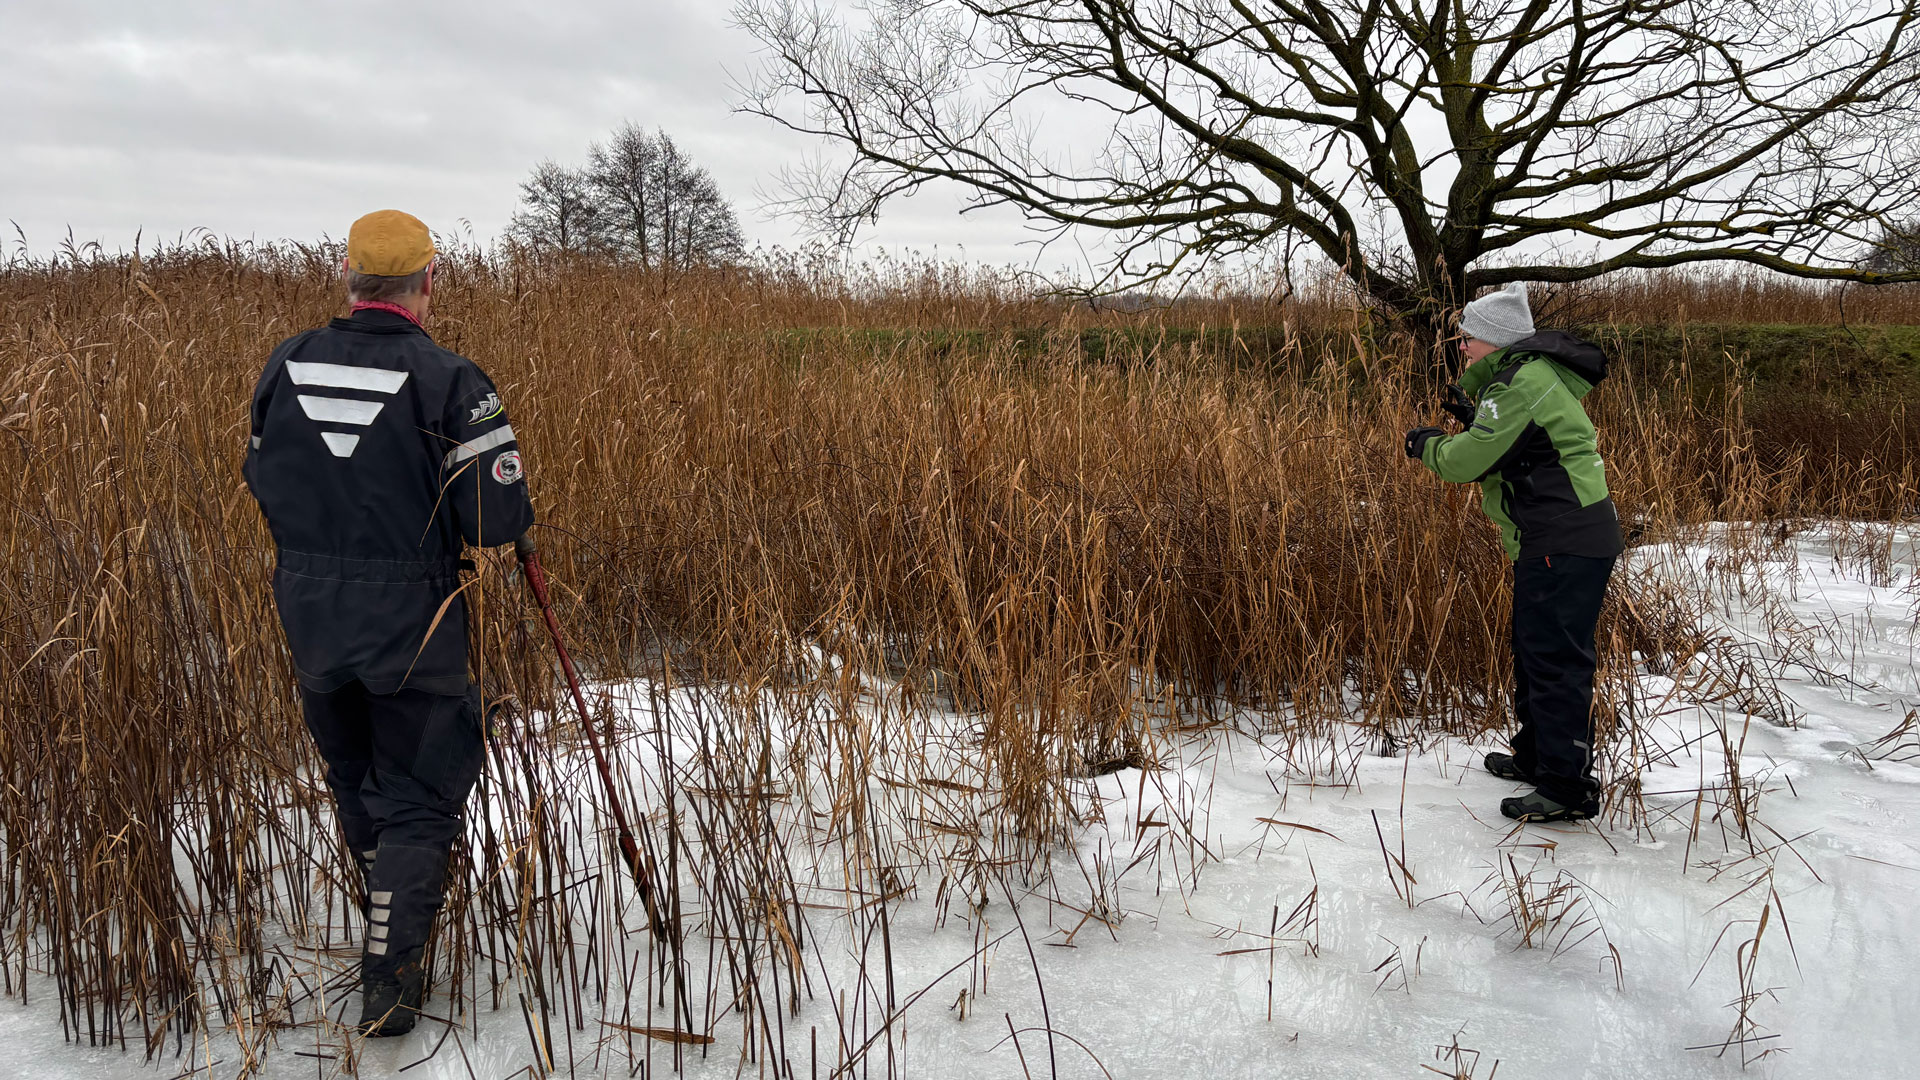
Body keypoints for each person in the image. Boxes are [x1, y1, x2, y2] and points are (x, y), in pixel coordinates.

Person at [243, 210, 534, 1035]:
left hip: (310, 615)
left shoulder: (286, 363)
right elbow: (494, 518)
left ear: (349, 277)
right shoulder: (449, 380)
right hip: (414, 617)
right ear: (428, 281)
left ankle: (384, 917)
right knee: (416, 793)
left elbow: (259, 474)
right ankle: (392, 979)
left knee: (351, 773)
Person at [1403, 282, 1623, 823]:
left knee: (1554, 661)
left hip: (1563, 542)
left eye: (1469, 338)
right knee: (1533, 651)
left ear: (1496, 342)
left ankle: (1565, 788)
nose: (1461, 346)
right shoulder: (1524, 380)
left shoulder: (1519, 385)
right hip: (1561, 539)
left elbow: (1462, 463)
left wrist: (1426, 442)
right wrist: (1473, 423)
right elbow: (1512, 449)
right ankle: (1536, 757)